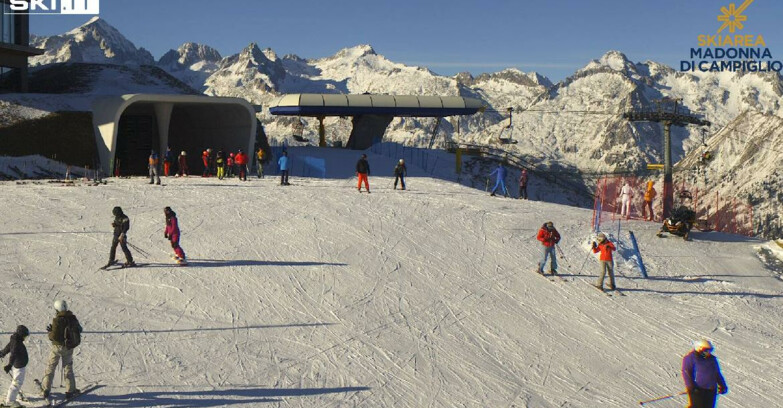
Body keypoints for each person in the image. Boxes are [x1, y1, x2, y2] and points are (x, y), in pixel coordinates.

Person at [40, 300, 81, 400]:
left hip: (57, 347)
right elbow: (79, 329)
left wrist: (50, 331)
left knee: (51, 367)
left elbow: (53, 337)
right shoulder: (73, 318)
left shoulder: (57, 320)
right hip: (68, 347)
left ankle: (46, 389)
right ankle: (70, 391)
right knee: (68, 368)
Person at [682, 339, 728, 408]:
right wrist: (691, 387)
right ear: (699, 349)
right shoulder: (691, 358)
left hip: (711, 390)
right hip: (698, 389)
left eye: (710, 350)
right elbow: (686, 372)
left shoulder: (712, 359)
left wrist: (722, 385)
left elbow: (716, 373)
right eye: (706, 350)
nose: (708, 353)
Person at [0, 325, 29, 408]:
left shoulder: (15, 339)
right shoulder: (17, 342)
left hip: (19, 364)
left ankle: (11, 397)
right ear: (21, 334)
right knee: (17, 383)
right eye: (24, 335)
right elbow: (13, 354)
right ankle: (10, 401)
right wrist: (9, 365)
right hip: (19, 366)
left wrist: (2, 353)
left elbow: (9, 347)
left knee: (16, 381)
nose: (25, 337)